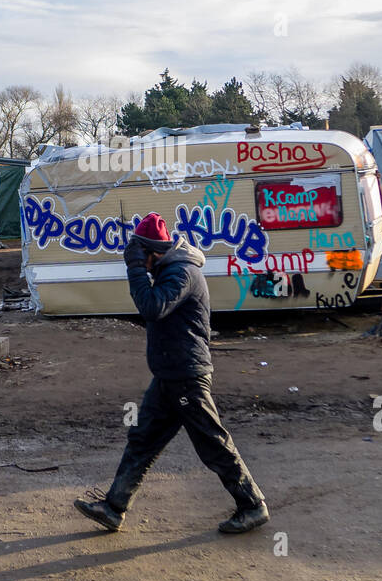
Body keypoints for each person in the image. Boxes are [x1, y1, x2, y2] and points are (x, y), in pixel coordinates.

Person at [74, 212, 269, 535]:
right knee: (142, 440)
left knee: (212, 442)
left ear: (154, 252)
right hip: (170, 375)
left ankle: (252, 505)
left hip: (186, 375)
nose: (142, 263)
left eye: (143, 257)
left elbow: (152, 307)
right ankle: (113, 507)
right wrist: (139, 267)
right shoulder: (170, 269)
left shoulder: (182, 273)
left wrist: (134, 269)